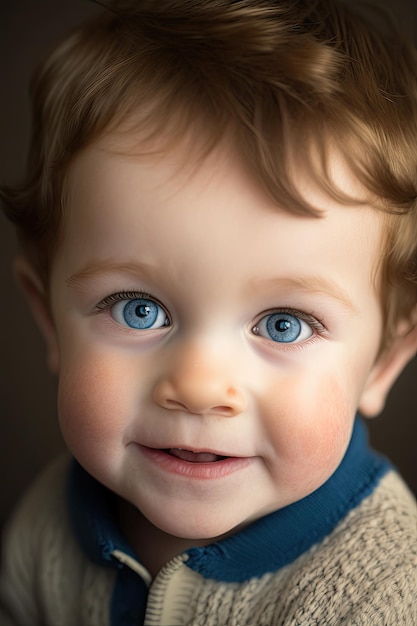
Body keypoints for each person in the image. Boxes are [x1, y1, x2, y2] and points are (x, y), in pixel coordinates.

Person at [1, 0, 416, 623]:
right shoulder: (47, 519)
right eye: (139, 310)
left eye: (284, 324)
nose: (198, 388)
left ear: (382, 363)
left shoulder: (382, 590)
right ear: (48, 316)